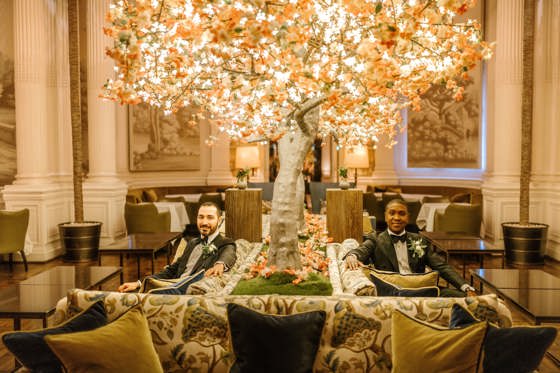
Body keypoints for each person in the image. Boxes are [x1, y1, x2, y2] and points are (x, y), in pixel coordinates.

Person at [345, 199, 476, 297]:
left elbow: (441, 266)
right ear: (386, 216)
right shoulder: (376, 238)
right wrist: (352, 256)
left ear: (408, 217)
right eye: (392, 213)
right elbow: (362, 250)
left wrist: (465, 287)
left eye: (401, 214)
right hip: (393, 292)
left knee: (466, 298)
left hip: (420, 289)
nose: (396, 218)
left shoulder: (419, 240)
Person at [118, 202, 236, 293]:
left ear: (219, 221)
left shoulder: (225, 243)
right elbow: (172, 270)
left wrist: (220, 264)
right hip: (172, 285)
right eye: (201, 217)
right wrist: (139, 283)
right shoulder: (192, 243)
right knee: (130, 293)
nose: (204, 222)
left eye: (210, 217)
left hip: (186, 289)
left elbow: (229, 253)